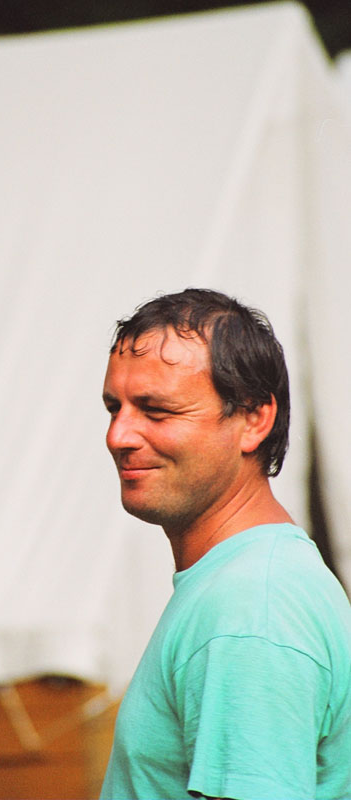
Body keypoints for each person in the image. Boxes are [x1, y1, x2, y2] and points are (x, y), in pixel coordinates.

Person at [100, 288, 351, 800]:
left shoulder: (252, 607)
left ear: (254, 419)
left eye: (156, 410)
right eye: (113, 408)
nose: (118, 436)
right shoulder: (244, 581)